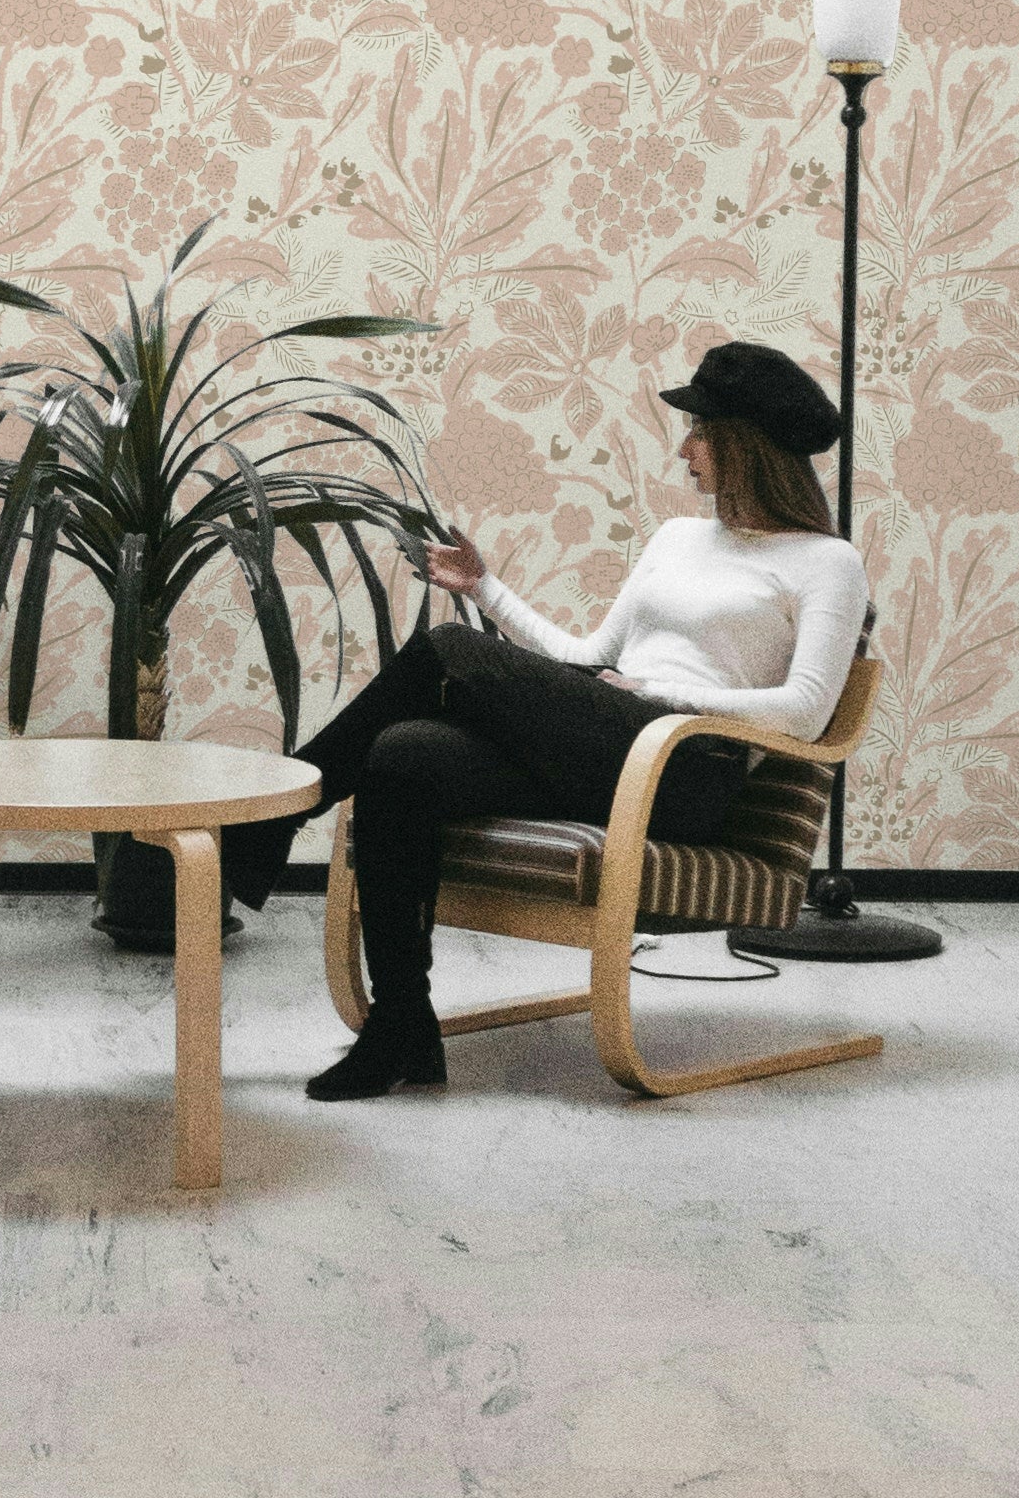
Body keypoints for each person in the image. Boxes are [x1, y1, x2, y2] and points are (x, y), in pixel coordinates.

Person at [231, 340, 869, 1101]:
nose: (684, 449)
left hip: (684, 771)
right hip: (611, 744)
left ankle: (276, 811)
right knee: (403, 753)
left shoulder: (828, 563)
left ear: (746, 443)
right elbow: (586, 656)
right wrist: (485, 588)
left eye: (700, 432)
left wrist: (665, 697)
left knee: (444, 649)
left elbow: (807, 711)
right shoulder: (677, 538)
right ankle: (401, 1025)